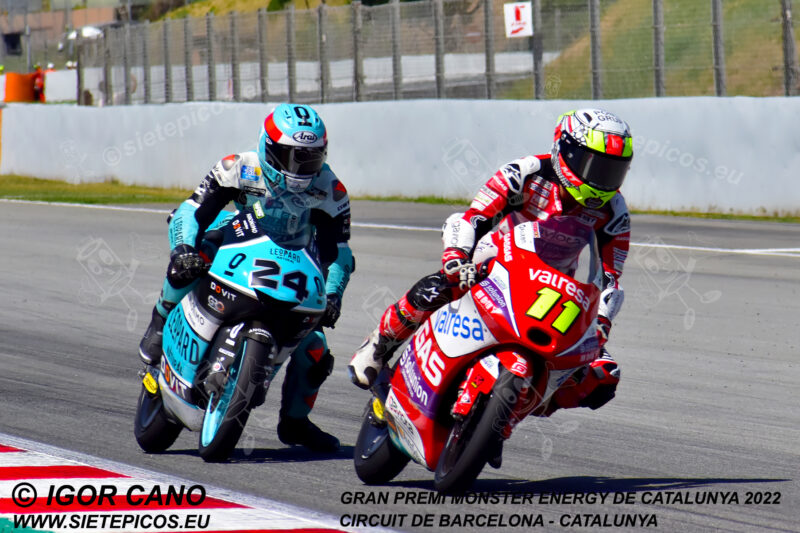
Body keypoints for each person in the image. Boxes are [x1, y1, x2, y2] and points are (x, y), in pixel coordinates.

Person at [349, 108, 633, 416]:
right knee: (441, 286)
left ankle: (510, 412)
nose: (602, 181)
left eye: (612, 171)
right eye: (595, 167)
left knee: (603, 376)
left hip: (557, 293)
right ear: (566, 151)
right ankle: (380, 344)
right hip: (500, 262)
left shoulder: (614, 212)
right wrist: (457, 259)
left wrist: (601, 322)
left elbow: (609, 281)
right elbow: (473, 218)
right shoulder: (525, 172)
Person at [138, 103, 354, 452]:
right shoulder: (238, 166)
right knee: (193, 258)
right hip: (240, 234)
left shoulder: (331, 189)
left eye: (310, 158)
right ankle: (160, 320)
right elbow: (192, 211)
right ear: (268, 147)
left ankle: (295, 421)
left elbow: (339, 253)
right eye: (291, 156)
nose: (301, 168)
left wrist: (333, 294)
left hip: (293, 262)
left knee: (316, 348)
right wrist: (183, 249)